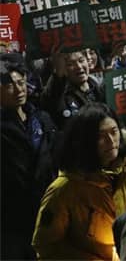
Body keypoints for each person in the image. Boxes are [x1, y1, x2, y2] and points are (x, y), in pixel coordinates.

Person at [32, 104, 126, 260]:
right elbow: (46, 246)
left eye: (114, 132)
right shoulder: (66, 188)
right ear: (85, 141)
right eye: (101, 136)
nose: (111, 141)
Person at [1, 55, 57, 260]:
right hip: (13, 222)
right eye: (8, 85)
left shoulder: (41, 119)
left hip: (49, 212)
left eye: (20, 82)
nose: (18, 89)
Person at [41, 50, 106, 129]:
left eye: (81, 60)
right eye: (70, 64)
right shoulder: (60, 95)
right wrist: (58, 73)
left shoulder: (99, 89)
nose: (78, 66)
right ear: (63, 69)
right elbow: (50, 98)